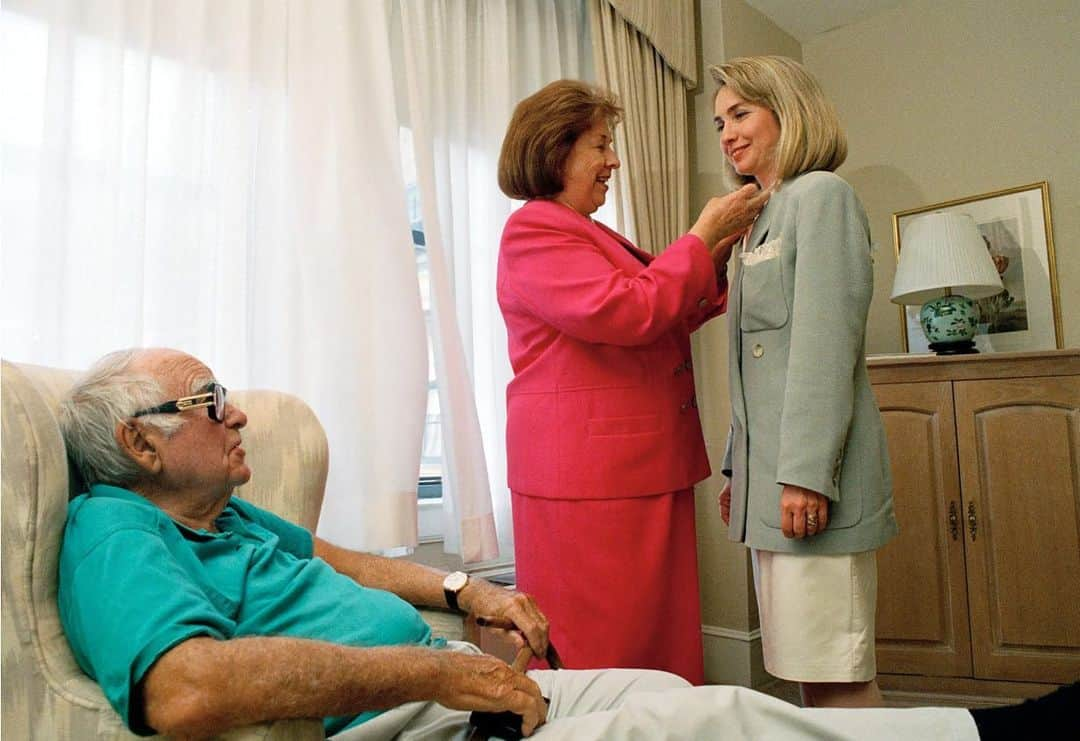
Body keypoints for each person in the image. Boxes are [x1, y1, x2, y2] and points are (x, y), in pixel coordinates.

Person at [55, 347, 1071, 739]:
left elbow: (351, 564)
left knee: (663, 693)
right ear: (141, 439)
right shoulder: (118, 533)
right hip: (398, 725)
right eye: (209, 402)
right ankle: (998, 734)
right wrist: (438, 679)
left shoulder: (226, 516)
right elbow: (183, 691)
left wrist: (466, 593)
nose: (237, 419)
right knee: (707, 719)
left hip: (437, 685)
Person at [495, 79, 769, 685]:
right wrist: (699, 237)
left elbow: (655, 313)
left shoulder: (582, 230)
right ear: (555, 150)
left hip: (634, 466)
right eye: (601, 144)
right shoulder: (534, 229)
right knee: (605, 653)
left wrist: (714, 254)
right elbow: (628, 311)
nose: (614, 159)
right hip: (590, 481)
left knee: (655, 647)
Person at [711, 56, 898, 708]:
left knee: (836, 672)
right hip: (772, 486)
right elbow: (753, 364)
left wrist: (805, 474)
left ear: (786, 110)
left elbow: (823, 347)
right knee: (807, 668)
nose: (727, 133)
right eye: (719, 123)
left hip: (809, 482)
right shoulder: (760, 218)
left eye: (740, 114)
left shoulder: (821, 197)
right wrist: (742, 469)